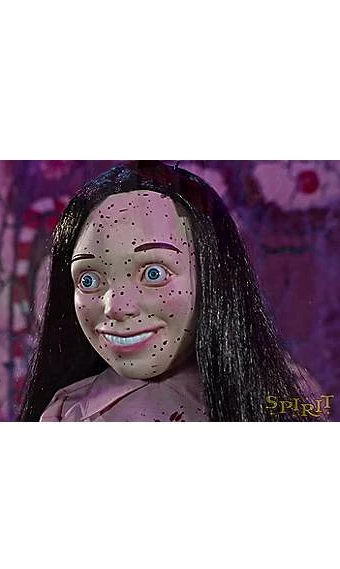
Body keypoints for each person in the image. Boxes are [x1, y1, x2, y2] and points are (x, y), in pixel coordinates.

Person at [19, 161, 324, 422]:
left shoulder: (279, 395)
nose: (116, 306)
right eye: (89, 280)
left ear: (211, 273)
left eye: (154, 274)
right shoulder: (70, 413)